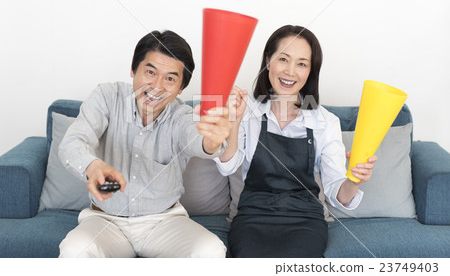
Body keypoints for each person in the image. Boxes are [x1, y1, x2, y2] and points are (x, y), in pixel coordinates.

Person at [58, 30, 232, 258]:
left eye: (170, 78)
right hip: (105, 220)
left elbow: (200, 141)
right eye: (150, 72)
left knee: (211, 250)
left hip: (163, 223)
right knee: (74, 250)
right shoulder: (107, 97)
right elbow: (73, 142)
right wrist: (93, 166)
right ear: (133, 70)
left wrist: (212, 140)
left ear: (181, 88)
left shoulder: (182, 116)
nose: (157, 86)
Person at [215, 25, 377, 258]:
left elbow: (338, 195)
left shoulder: (325, 122)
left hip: (305, 221)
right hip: (253, 217)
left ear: (311, 71)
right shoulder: (246, 110)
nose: (290, 71)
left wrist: (354, 179)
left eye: (302, 63)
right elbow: (227, 166)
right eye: (283, 59)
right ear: (268, 61)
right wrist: (234, 121)